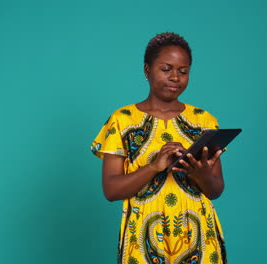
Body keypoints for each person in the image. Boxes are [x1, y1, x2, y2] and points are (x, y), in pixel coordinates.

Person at [91, 32, 227, 264]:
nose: (175, 77)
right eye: (166, 69)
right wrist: (154, 167)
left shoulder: (204, 121)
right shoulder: (122, 120)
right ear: (147, 70)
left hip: (199, 236)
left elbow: (215, 190)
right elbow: (111, 191)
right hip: (142, 238)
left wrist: (201, 175)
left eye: (183, 72)